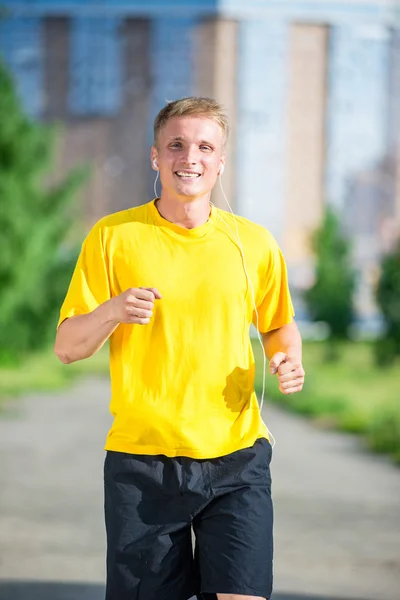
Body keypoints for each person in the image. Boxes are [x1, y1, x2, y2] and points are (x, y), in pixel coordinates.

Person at [54, 96, 305, 600]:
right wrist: (111, 311)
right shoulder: (113, 236)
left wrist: (288, 358)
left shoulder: (253, 243)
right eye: (177, 145)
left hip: (236, 458)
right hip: (143, 463)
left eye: (204, 146)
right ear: (155, 156)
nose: (190, 157)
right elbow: (67, 347)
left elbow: (279, 325)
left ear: (220, 161)